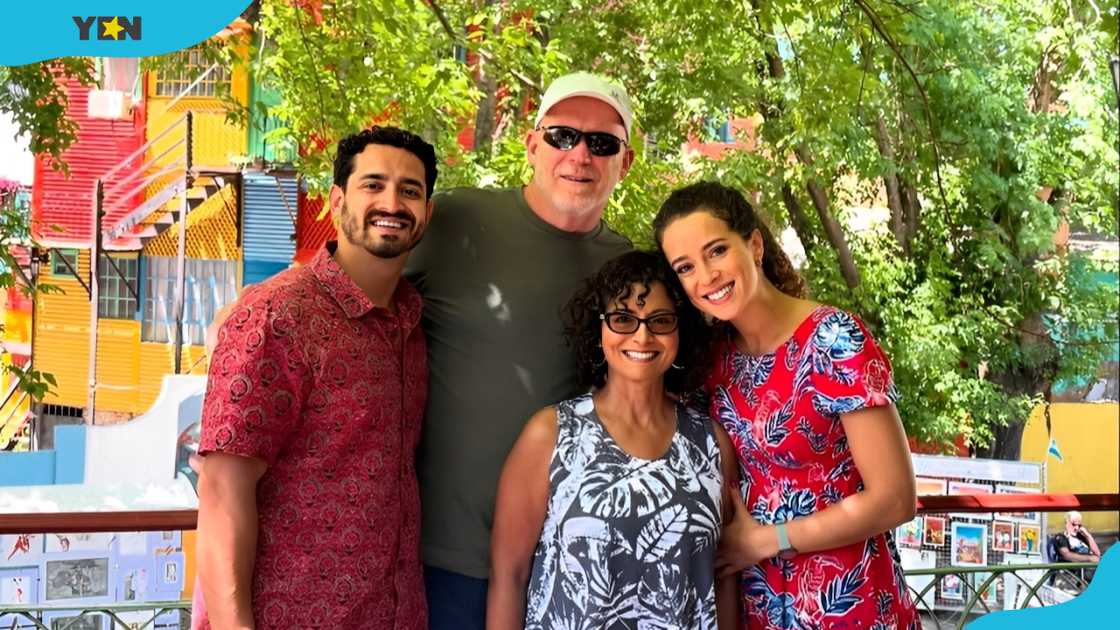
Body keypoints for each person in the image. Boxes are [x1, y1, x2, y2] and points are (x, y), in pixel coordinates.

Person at [405, 71, 635, 629]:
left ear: (624, 162)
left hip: (572, 564)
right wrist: (255, 311)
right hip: (445, 560)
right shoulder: (456, 220)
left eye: (602, 143)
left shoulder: (626, 266)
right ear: (532, 144)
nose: (579, 154)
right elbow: (351, 283)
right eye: (562, 136)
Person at [195, 126, 437, 629]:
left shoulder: (412, 323)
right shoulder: (277, 314)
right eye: (373, 184)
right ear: (335, 200)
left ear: (427, 212)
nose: (391, 202)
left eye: (409, 190)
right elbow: (222, 488)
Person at [654, 181, 919, 630]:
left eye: (716, 251)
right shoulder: (714, 361)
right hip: (760, 606)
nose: (706, 276)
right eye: (685, 267)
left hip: (849, 605)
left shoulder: (834, 340)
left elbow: (895, 499)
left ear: (754, 244)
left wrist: (766, 540)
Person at [487, 251, 740, 629]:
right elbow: (509, 576)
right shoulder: (552, 434)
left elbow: (723, 580)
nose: (642, 335)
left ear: (680, 331)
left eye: (660, 320)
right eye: (623, 319)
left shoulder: (711, 445)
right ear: (598, 329)